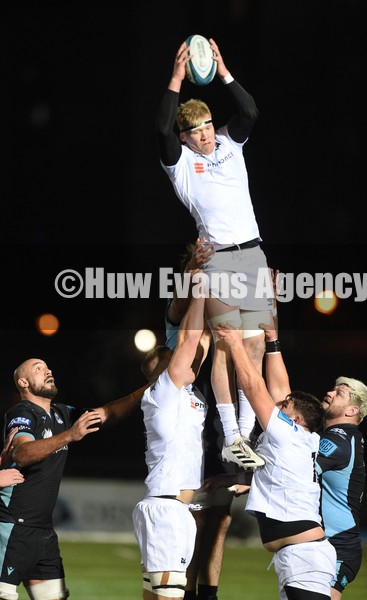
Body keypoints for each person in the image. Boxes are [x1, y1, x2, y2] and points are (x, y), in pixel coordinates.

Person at [156, 36, 273, 470]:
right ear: (184, 138)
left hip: (253, 253)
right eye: (195, 131)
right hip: (219, 256)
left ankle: (248, 433)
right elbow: (161, 128)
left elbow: (250, 111)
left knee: (256, 343)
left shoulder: (229, 140)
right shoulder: (181, 165)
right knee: (226, 345)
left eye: (206, 126)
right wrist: (175, 77)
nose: (204, 135)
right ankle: (231, 434)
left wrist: (223, 71)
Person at [0, 359, 148, 600]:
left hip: (43, 532)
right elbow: (23, 453)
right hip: (12, 527)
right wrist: (70, 436)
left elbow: (106, 414)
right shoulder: (22, 413)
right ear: (23, 382)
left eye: (48, 367)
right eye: (38, 368)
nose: (48, 370)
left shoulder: (61, 413)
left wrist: (149, 388)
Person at [209, 321, 336, 600]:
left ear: (296, 419)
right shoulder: (302, 438)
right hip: (300, 555)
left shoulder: (288, 435)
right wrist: (272, 341)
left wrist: (234, 343)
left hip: (305, 558)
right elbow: (281, 390)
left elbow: (255, 387)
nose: (274, 409)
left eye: (283, 408)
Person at [165, 240, 237, 600]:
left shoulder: (226, 319)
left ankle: (208, 594)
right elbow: (181, 304)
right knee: (192, 519)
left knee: (220, 520)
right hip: (187, 425)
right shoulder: (185, 310)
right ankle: (186, 592)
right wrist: (193, 268)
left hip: (221, 425)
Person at [132, 292, 209, 600]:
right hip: (167, 509)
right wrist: (201, 290)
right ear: (165, 372)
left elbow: (199, 345)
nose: (184, 357)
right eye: (175, 357)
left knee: (157, 595)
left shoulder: (185, 395)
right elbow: (190, 342)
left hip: (173, 507)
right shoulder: (162, 393)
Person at [316, 377, 367, 600]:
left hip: (337, 548)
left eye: (339, 393)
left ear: (352, 410)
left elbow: (294, 472)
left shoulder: (338, 440)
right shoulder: (346, 438)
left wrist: (245, 479)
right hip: (329, 544)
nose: (329, 393)